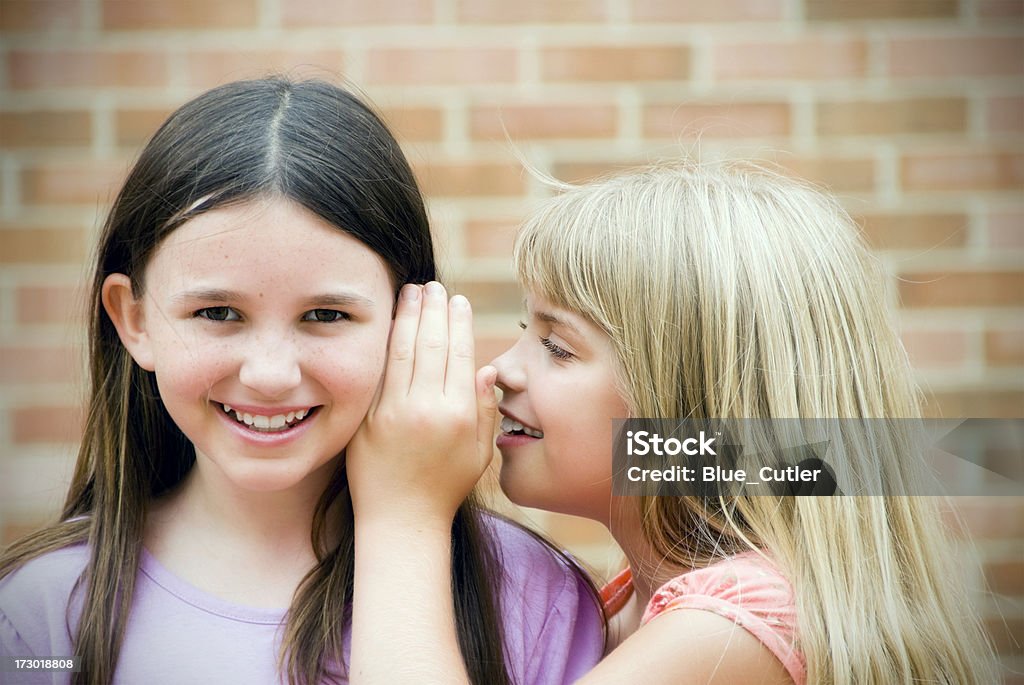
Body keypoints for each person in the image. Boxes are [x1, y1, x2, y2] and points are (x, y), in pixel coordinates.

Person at [0, 78, 604, 685]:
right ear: (134, 318)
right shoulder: (40, 615)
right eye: (216, 314)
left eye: (325, 316)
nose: (269, 375)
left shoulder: (532, 598)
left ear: (407, 322)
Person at [346, 161, 999, 683]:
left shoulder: (733, 629)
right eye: (526, 329)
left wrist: (402, 517)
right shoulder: (635, 600)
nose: (501, 372)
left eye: (558, 345)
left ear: (691, 406)